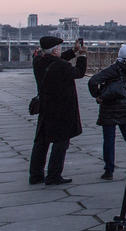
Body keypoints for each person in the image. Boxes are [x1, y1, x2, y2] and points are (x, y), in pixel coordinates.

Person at [29, 36, 87, 185]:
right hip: (61, 109)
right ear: (55, 50)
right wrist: (82, 56)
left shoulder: (38, 62)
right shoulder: (61, 66)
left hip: (45, 106)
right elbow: (79, 73)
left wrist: (73, 51)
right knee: (61, 142)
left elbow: (57, 60)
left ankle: (35, 175)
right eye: (59, 48)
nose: (60, 50)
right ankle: (54, 175)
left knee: (41, 142)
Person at [87, 44, 126, 180]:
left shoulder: (115, 69)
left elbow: (93, 81)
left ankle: (109, 170)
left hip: (109, 108)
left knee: (109, 140)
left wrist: (98, 95)